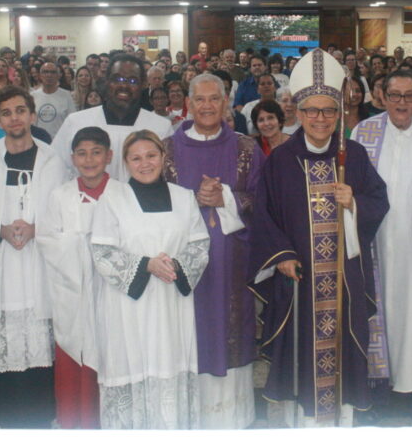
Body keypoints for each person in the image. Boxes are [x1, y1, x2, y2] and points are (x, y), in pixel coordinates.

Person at [249, 48, 389, 426]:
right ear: (298, 112)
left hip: (343, 278)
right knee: (301, 355)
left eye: (329, 110)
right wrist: (281, 255)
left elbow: (380, 201)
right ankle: (303, 427)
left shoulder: (353, 155)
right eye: (312, 110)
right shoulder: (281, 160)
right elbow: (263, 215)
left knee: (343, 348)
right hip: (301, 281)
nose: (320, 119)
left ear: (339, 113)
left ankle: (341, 425)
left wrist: (354, 202)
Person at [0, 86, 68, 428]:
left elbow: (64, 212)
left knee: (41, 347)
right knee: (5, 353)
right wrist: (0, 229)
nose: (14, 118)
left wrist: (37, 228)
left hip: (39, 265)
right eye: (6, 113)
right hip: (2, 266)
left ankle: (43, 420)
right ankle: (4, 422)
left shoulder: (53, 161)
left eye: (20, 110)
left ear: (32, 115)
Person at [161, 74, 264, 428]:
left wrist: (227, 198)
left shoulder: (247, 148)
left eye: (214, 99)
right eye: (200, 99)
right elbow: (153, 202)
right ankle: (189, 420)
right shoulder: (166, 150)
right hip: (182, 265)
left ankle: (232, 420)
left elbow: (264, 199)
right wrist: (193, 198)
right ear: (188, 104)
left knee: (231, 329)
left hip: (232, 265)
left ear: (225, 103)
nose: (207, 106)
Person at [91, 130, 210, 428]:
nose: (145, 164)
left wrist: (174, 266)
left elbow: (199, 245)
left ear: (163, 157)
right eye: (136, 158)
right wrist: (147, 265)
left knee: (170, 363)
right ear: (125, 162)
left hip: (172, 302)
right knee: (132, 362)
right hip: (128, 306)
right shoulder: (112, 199)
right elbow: (102, 252)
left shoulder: (184, 198)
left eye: (151, 156)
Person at [351, 69, 412, 400]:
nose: (402, 103)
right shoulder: (364, 132)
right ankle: (380, 382)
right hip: (377, 240)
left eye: (409, 96)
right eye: (395, 96)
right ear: (382, 97)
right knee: (380, 306)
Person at [37, 126, 119, 429]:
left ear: (109, 156)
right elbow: (47, 240)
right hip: (73, 294)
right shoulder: (60, 196)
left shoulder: (123, 194)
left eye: (96, 152)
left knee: (112, 357)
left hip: (112, 294)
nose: (89, 160)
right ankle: (75, 427)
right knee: (74, 363)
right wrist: (83, 243)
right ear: (72, 158)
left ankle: (108, 426)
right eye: (82, 154)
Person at [53, 54, 173, 182]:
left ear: (143, 85)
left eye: (132, 81)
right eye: (117, 79)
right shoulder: (77, 122)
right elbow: (56, 170)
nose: (124, 86)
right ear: (107, 81)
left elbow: (169, 177)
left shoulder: (160, 127)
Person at [32, 62, 75, 140]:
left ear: (58, 76)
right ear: (40, 76)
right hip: (39, 142)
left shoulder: (66, 95)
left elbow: (72, 121)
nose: (49, 75)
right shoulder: (32, 96)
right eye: (45, 72)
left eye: (53, 72)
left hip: (60, 141)